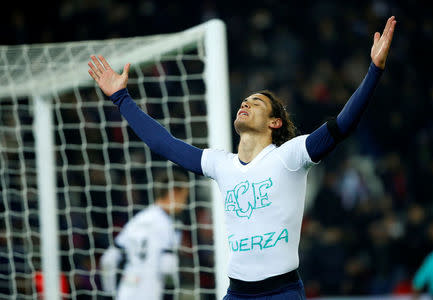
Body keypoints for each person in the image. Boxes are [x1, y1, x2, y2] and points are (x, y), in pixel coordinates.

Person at [89, 16, 396, 299]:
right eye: (244, 101)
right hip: (237, 293)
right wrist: (121, 98)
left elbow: (343, 125)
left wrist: (374, 70)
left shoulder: (289, 155)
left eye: (257, 102)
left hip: (282, 292)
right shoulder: (221, 164)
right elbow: (164, 144)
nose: (245, 104)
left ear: (275, 122)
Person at [99, 170, 189, 300]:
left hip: (125, 292)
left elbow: (108, 259)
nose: (185, 204)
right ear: (174, 193)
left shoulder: (138, 220)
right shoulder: (170, 226)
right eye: (184, 197)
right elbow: (168, 266)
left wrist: (109, 293)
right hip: (151, 293)